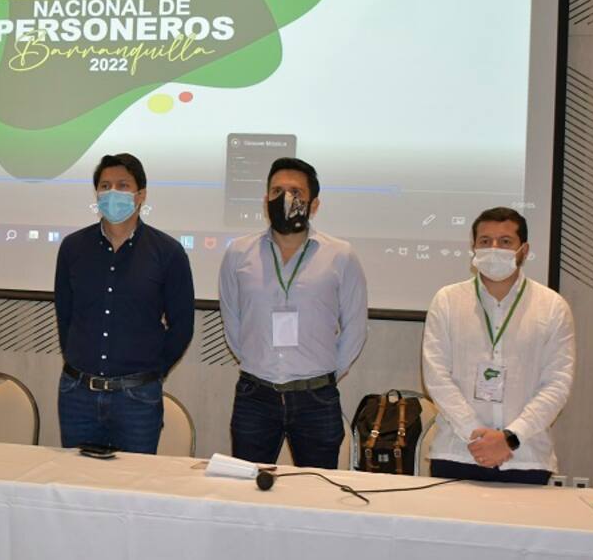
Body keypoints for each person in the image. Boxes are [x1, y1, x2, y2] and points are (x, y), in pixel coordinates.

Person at [219, 157, 368, 467]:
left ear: (314, 205)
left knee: (316, 488)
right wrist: (257, 364)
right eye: (277, 191)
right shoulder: (238, 253)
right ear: (266, 200)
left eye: (296, 192)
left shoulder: (340, 255)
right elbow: (232, 320)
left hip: (316, 398)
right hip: (255, 395)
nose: (285, 198)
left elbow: (355, 327)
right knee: (246, 486)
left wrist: (325, 375)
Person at [421, 206, 575, 484]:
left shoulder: (552, 306)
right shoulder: (447, 300)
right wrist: (476, 434)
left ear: (524, 250)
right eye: (485, 241)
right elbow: (436, 377)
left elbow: (557, 384)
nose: (494, 249)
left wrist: (510, 438)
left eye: (505, 242)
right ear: (474, 248)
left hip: (525, 456)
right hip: (459, 452)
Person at [55, 153, 195, 453]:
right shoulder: (72, 248)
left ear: (140, 195)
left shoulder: (168, 252)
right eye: (105, 186)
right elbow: (65, 315)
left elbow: (182, 325)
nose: (112, 193)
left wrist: (153, 372)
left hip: (137, 398)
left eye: (122, 185)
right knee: (75, 478)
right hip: (77, 394)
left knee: (134, 480)